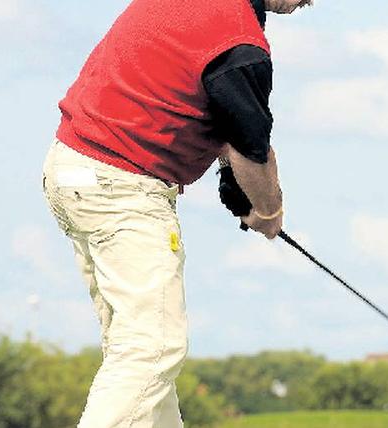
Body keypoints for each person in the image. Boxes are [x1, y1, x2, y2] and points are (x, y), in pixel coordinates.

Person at [41, 0, 311, 426]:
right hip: (120, 187)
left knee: (140, 353)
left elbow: (218, 117)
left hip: (73, 170)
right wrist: (268, 210)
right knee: (153, 348)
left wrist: (239, 186)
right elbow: (251, 154)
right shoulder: (239, 45)